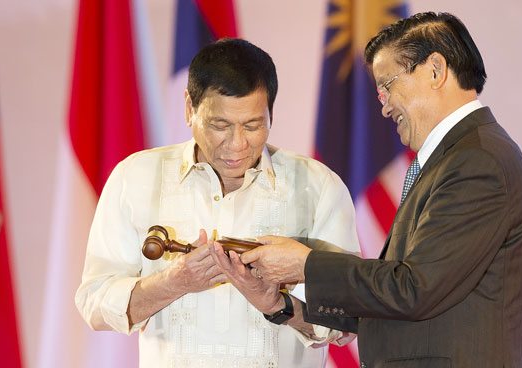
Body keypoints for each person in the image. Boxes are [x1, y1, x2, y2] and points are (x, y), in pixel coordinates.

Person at [237, 12, 522, 367]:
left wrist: (306, 263)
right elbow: (400, 300)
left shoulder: (477, 162)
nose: (385, 106)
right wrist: (284, 302)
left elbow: (413, 290)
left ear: (435, 70)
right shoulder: (456, 158)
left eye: (387, 86)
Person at [75, 38, 360, 368]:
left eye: (252, 125)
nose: (237, 144)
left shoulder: (318, 186)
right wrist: (173, 283)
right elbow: (94, 303)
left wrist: (276, 305)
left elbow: (349, 318)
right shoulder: (134, 177)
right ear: (189, 109)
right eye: (220, 125)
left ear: (271, 114)